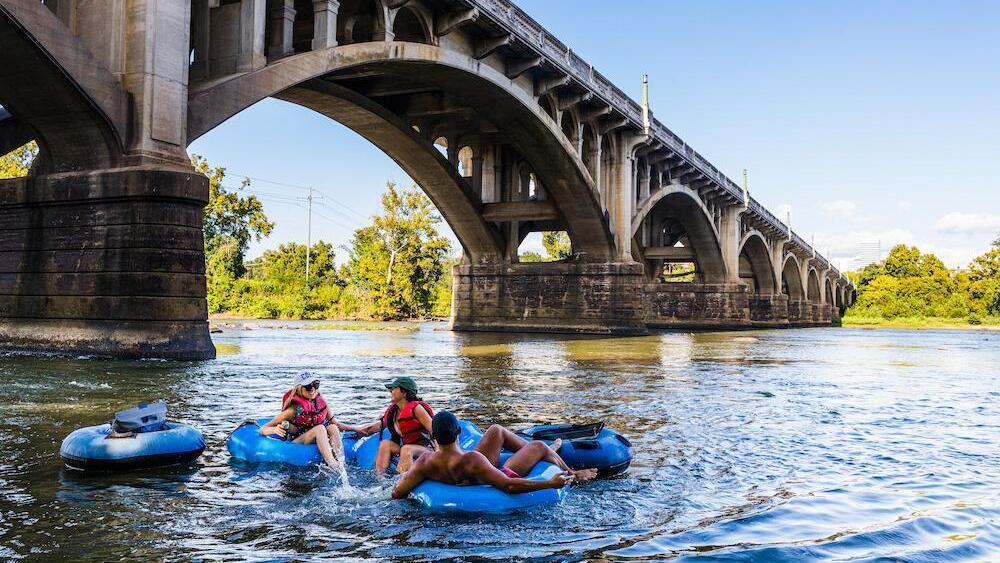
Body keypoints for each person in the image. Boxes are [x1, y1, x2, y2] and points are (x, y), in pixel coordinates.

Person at [391, 411, 598, 500]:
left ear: (433, 436)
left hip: (466, 471)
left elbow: (396, 493)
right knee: (538, 446)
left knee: (496, 431)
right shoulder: (472, 459)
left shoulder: (425, 462)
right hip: (485, 474)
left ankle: (549, 452)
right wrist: (550, 484)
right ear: (459, 432)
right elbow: (509, 485)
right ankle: (573, 473)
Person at [258, 372, 355, 469]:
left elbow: (336, 423)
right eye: (308, 386)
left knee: (333, 428)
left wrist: (357, 429)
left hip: (315, 436)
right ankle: (332, 464)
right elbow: (263, 429)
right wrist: (274, 430)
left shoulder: (319, 403)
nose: (312, 389)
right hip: (297, 440)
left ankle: (342, 463)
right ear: (299, 389)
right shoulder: (292, 410)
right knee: (320, 428)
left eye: (315, 384)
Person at [350, 377, 434, 476]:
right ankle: (379, 480)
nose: (390, 391)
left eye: (394, 388)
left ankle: (402, 483)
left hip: (425, 450)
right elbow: (376, 427)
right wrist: (352, 431)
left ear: (404, 392)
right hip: (407, 448)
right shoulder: (393, 412)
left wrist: (440, 456)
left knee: (406, 449)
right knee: (385, 444)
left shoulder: (417, 409)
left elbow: (435, 431)